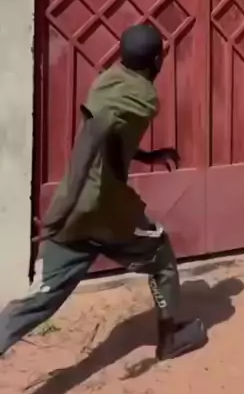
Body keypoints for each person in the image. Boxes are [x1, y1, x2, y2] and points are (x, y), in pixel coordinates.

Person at [0, 23, 207, 360]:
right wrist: (60, 213)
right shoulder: (143, 97)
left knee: (40, 300)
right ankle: (169, 340)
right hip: (104, 211)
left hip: (75, 216)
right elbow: (93, 140)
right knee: (162, 258)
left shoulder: (108, 81)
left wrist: (148, 156)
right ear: (156, 61)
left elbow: (111, 138)